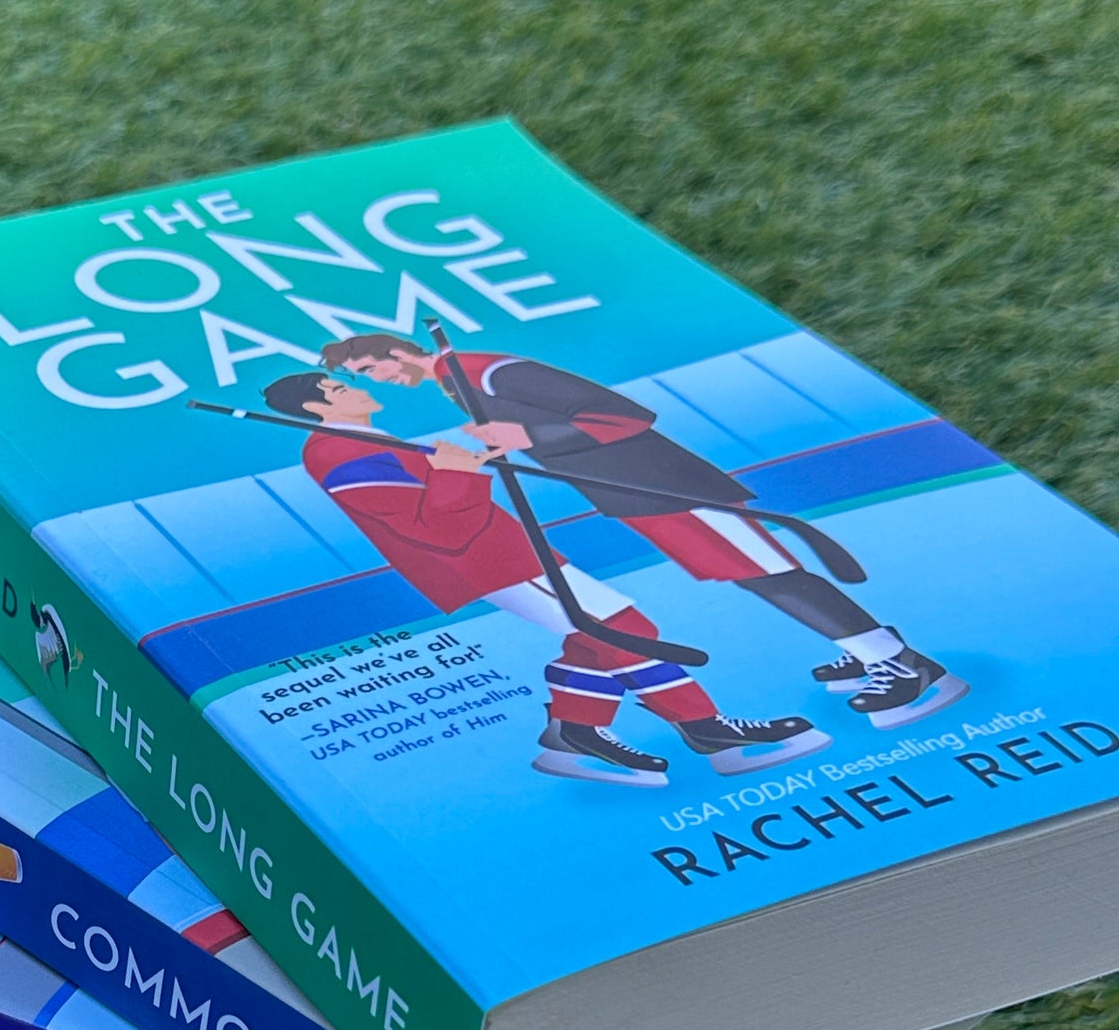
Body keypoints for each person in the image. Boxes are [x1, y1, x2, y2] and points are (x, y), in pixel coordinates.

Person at [317, 334, 966, 728]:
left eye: (372, 370)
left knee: (768, 573)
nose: (379, 381)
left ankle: (902, 663)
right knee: (751, 577)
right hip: (635, 497)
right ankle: (868, 646)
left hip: (668, 487)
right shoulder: (457, 384)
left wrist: (527, 434)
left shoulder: (486, 371)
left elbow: (620, 414)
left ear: (395, 353)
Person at [260, 370, 828, 786]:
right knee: (624, 628)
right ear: (316, 405)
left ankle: (575, 733)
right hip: (483, 558)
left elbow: (435, 500)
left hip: (506, 548)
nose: (354, 389)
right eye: (338, 388)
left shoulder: (365, 440)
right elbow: (427, 526)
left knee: (595, 635)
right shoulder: (337, 451)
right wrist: (457, 472)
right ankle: (708, 728)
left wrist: (463, 465)